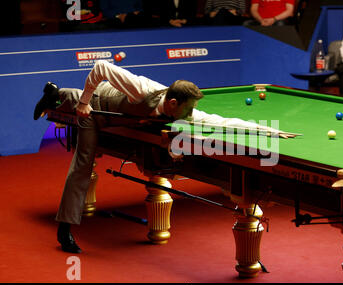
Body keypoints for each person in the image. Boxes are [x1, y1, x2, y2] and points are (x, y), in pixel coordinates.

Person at [33, 60, 292, 253]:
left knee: (83, 115)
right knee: (84, 161)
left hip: (124, 117)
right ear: (172, 103)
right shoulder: (143, 89)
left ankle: (56, 94)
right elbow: (100, 67)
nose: (192, 114)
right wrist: (84, 102)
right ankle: (64, 229)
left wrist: (266, 130)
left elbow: (220, 121)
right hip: (100, 107)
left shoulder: (181, 109)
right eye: (188, 108)